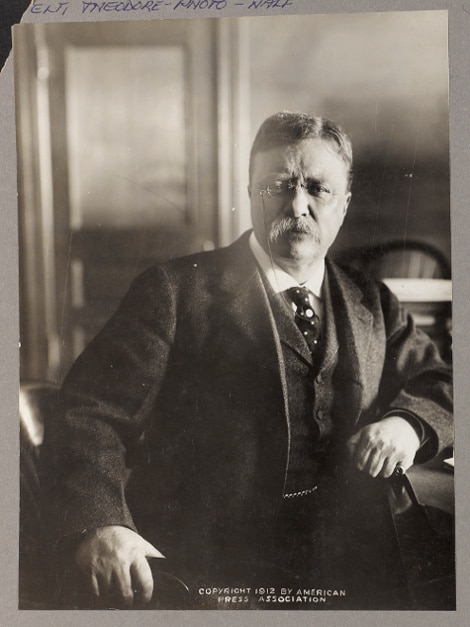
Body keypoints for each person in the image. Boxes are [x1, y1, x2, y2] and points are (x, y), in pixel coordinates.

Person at [40, 112, 453, 610]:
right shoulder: (175, 291)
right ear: (251, 191)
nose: (297, 204)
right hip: (208, 570)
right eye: (278, 185)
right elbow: (87, 416)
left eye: (318, 189)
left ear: (343, 205)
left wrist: (407, 425)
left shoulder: (372, 301)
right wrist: (101, 523)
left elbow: (444, 381)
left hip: (347, 563)